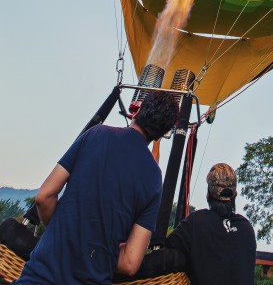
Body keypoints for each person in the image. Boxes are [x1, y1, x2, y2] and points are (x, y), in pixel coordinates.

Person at [15, 90, 179, 285]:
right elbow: (130, 262)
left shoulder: (97, 134)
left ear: (138, 111)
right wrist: (96, 251)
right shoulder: (153, 178)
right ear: (164, 133)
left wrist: (65, 235)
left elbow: (44, 196)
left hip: (39, 277)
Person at [145, 162, 256, 285]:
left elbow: (166, 249)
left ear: (208, 194)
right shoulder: (247, 228)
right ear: (234, 194)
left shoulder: (196, 222)